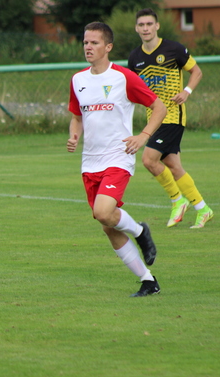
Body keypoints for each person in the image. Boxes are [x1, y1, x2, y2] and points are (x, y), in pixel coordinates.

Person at [67, 22, 167, 297]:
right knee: (108, 225)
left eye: (94, 43)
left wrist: (143, 135)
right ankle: (148, 281)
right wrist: (75, 136)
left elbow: (159, 106)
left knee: (102, 212)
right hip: (90, 162)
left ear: (108, 47)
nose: (88, 47)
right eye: (86, 42)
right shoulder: (78, 80)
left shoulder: (124, 77)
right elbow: (77, 117)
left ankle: (140, 231)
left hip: (117, 158)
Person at [128, 8, 213, 229]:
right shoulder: (135, 58)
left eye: (149, 24)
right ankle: (202, 209)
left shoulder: (173, 49)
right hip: (153, 119)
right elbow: (134, 89)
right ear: (136, 28)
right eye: (141, 25)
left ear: (157, 26)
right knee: (174, 166)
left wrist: (187, 91)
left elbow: (197, 72)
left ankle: (177, 200)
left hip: (172, 116)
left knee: (148, 160)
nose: (145, 28)